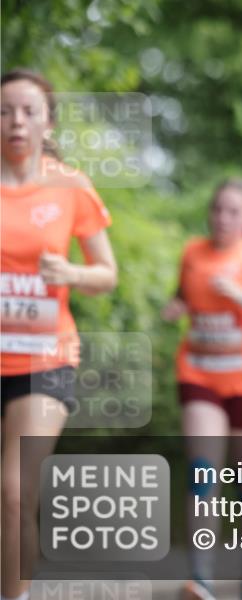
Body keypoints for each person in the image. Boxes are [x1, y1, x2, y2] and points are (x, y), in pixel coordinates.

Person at [0, 68, 117, 600]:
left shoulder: (70, 185)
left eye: (27, 110)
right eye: (4, 111)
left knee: (14, 492)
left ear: (47, 122)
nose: (15, 121)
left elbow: (106, 273)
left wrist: (71, 274)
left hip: (44, 358)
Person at [162, 178, 242, 600]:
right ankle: (200, 577)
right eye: (218, 209)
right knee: (203, 474)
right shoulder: (193, 253)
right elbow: (185, 293)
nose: (222, 218)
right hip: (200, 376)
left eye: (233, 211)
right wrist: (177, 306)